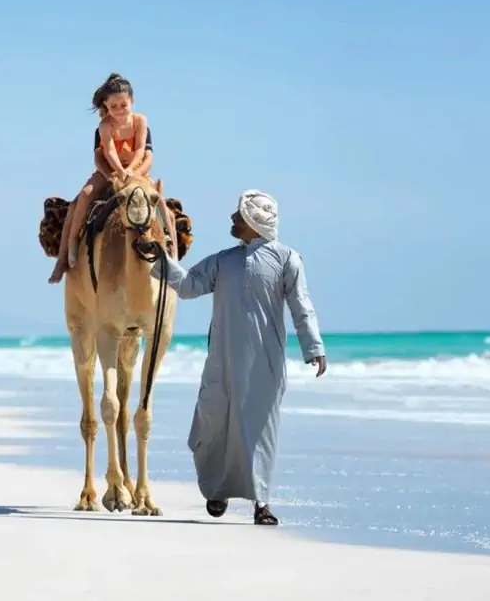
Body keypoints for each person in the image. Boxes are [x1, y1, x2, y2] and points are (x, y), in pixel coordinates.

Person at [144, 189, 326, 525]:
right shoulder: (223, 260)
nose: (231, 219)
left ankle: (262, 503)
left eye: (238, 215)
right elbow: (188, 286)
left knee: (259, 429)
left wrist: (313, 347)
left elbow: (301, 306)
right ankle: (218, 491)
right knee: (215, 422)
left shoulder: (287, 259)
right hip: (221, 359)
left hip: (264, 362)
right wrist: (159, 260)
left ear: (255, 222)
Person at [48, 73, 175, 284]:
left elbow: (143, 151)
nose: (119, 110)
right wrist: (116, 173)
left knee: (161, 203)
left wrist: (133, 172)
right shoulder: (104, 127)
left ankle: (171, 251)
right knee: (84, 196)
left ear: (132, 101)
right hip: (110, 171)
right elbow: (107, 155)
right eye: (113, 106)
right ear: (106, 106)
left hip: (138, 171)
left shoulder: (140, 121)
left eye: (123, 105)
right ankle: (65, 254)